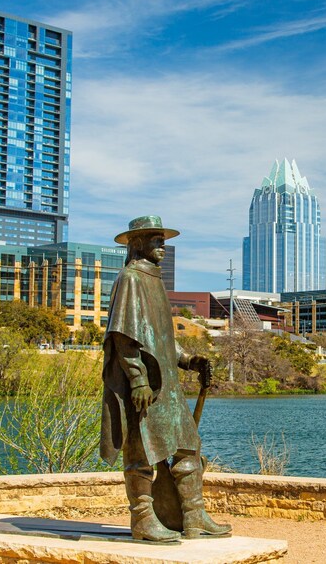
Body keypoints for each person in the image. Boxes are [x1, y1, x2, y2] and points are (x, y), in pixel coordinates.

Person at [100, 215, 231, 542]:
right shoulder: (130, 278)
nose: (163, 246)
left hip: (168, 387)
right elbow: (123, 337)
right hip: (145, 386)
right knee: (141, 451)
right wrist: (138, 378)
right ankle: (143, 519)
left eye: (164, 241)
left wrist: (188, 360)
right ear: (139, 243)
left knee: (189, 447)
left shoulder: (154, 279)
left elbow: (161, 338)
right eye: (157, 240)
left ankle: (193, 516)